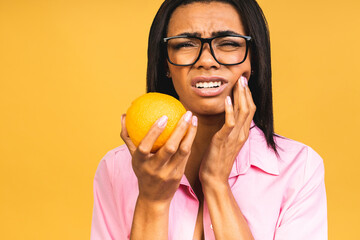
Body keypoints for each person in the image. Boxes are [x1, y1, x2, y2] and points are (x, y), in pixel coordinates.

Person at [90, 0, 328, 239]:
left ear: (252, 60)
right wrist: (152, 201)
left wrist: (216, 182)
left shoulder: (299, 170)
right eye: (185, 44)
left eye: (228, 43)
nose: (207, 60)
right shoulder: (116, 169)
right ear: (165, 62)